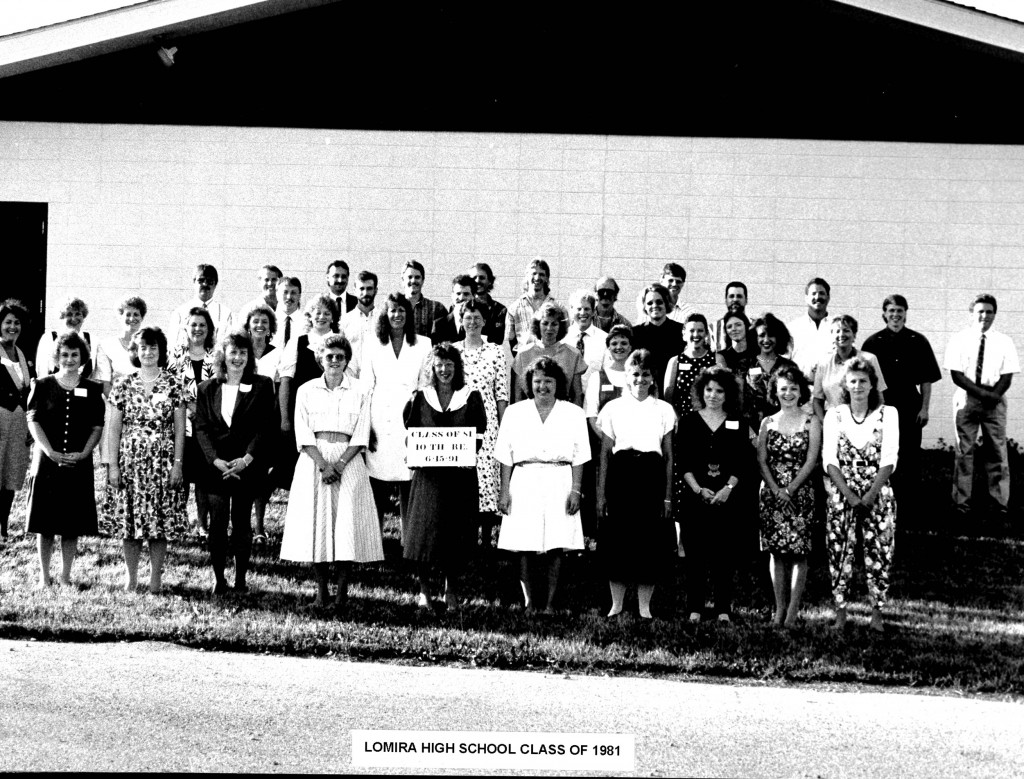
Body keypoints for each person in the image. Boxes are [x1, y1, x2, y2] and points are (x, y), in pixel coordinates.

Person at [279, 334, 383, 610]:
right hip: (315, 461)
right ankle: (321, 593)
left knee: (345, 526)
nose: (335, 361)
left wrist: (339, 464)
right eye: (329, 356)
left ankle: (342, 595)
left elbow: (361, 434)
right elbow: (302, 432)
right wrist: (324, 465)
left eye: (340, 356)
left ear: (347, 359)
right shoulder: (306, 390)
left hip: (348, 462)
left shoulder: (361, 390)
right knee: (318, 526)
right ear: (320, 359)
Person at [495, 358, 589, 612]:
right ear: (529, 383)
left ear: (558, 384)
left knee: (557, 543)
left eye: (548, 381)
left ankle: (550, 604)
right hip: (524, 478)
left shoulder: (573, 413)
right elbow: (505, 455)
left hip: (560, 478)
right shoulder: (515, 412)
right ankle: (529, 603)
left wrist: (576, 490)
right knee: (525, 543)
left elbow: (580, 455)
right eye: (537, 381)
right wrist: (504, 491)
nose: (543, 386)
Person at [102, 326, 186, 593]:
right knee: (130, 521)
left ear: (161, 351)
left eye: (153, 347)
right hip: (131, 463)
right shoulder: (123, 384)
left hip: (162, 462)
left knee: (159, 522)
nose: (148, 352)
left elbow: (180, 429)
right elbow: (114, 428)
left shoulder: (173, 383)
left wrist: (178, 464)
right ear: (135, 352)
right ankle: (131, 578)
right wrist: (112, 465)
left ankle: (155, 579)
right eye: (143, 347)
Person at [403, 344, 487, 612]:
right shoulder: (420, 397)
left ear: (457, 367)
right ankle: (425, 592)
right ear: (432, 367)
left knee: (455, 535)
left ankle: (451, 591)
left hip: (459, 477)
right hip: (428, 477)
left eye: (449, 364)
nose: (444, 370)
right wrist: (413, 454)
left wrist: (467, 455)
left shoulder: (470, 396)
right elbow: (411, 431)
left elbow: (478, 434)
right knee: (424, 534)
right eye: (439, 365)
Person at [194, 330, 277, 595]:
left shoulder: (263, 385)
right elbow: (202, 428)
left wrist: (246, 459)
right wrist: (215, 460)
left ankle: (241, 579)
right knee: (217, 523)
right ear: (223, 356)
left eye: (243, 353)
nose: (238, 358)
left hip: (246, 466)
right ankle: (219, 578)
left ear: (249, 357)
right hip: (215, 467)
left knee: (241, 522)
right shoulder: (206, 388)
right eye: (233, 352)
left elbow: (265, 428)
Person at [596, 349, 676, 619]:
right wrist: (601, 495)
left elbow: (668, 456)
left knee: (648, 540)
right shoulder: (613, 408)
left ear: (653, 378)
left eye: (646, 374)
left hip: (651, 476)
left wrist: (667, 497)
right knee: (618, 539)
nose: (640, 379)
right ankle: (616, 605)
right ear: (627, 378)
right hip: (621, 475)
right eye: (635, 374)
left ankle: (644, 608)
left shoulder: (664, 409)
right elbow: (605, 454)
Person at [823, 357, 899, 633]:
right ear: (845, 384)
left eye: (863, 381)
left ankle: (877, 613)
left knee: (880, 551)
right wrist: (850, 496)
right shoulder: (835, 415)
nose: (857, 386)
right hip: (842, 492)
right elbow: (829, 460)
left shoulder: (888, 414)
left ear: (872, 384)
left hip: (877, 492)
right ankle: (841, 611)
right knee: (839, 551)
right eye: (852, 381)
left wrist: (868, 496)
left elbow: (889, 459)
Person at [25, 332, 105, 587]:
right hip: (47, 461)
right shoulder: (43, 384)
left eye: (74, 355)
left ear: (82, 357)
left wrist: (84, 453)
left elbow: (96, 426)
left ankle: (66, 575)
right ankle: (44, 575)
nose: (69, 359)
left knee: (71, 524)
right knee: (44, 523)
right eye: (64, 355)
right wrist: (49, 451)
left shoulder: (92, 389)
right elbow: (33, 420)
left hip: (77, 463)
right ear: (57, 357)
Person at [677, 366, 750, 623]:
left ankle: (722, 609)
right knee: (695, 556)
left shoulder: (738, 422)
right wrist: (698, 490)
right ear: (701, 391)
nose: (714, 395)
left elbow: (743, 461)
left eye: (720, 390)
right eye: (709, 389)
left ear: (728, 394)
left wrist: (727, 489)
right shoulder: (688, 421)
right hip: (695, 497)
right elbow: (682, 462)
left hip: (727, 499)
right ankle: (695, 607)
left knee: (724, 556)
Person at [943, 293, 1020, 519]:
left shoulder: (1004, 341)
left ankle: (999, 505)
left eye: (989, 312)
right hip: (967, 398)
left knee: (997, 452)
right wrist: (980, 393)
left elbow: (1007, 375)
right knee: (964, 452)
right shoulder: (960, 339)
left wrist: (993, 395)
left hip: (995, 400)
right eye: (980, 312)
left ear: (994, 314)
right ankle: (961, 505)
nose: (984, 316)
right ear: (972, 314)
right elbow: (956, 374)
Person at [363, 292, 432, 539]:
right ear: (385, 314)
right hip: (379, 418)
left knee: (409, 480)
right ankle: (374, 538)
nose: (397, 315)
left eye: (402, 310)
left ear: (408, 314)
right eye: (393, 310)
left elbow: (425, 385)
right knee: (377, 481)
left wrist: (422, 424)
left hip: (410, 418)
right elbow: (365, 386)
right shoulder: (372, 343)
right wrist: (365, 427)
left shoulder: (423, 343)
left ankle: (409, 539)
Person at [862, 295, 942, 508]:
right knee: (882, 453)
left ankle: (909, 504)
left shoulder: (918, 341)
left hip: (910, 405)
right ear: (884, 314)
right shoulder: (871, 343)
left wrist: (924, 409)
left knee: (909, 454)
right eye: (891, 311)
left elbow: (926, 379)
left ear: (905, 314)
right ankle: (882, 500)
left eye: (899, 311)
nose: (895, 315)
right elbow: (864, 380)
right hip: (882, 405)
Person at [756, 364, 821, 628]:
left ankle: (793, 612)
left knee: (798, 553)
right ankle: (779, 610)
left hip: (800, 492)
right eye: (783, 388)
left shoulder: (811, 420)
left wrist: (791, 488)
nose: (789, 393)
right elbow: (761, 460)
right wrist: (774, 489)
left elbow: (812, 459)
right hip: (771, 494)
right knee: (777, 554)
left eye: (794, 388)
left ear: (801, 391)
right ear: (775, 391)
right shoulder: (767, 422)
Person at [454, 300, 509, 550]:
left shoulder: (496, 351)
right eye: (468, 317)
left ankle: (486, 539)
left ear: (484, 321)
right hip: (461, 419)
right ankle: (465, 537)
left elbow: (501, 392)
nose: (472, 322)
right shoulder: (453, 352)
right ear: (461, 320)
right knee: (464, 475)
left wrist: (502, 427)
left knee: (487, 477)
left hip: (487, 420)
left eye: (477, 318)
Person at [277, 294, 340, 491]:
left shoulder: (340, 343)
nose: (321, 317)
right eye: (317, 313)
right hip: (303, 414)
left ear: (333, 317)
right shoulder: (297, 342)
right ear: (310, 316)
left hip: (331, 414)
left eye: (326, 313)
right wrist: (285, 418)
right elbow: (285, 381)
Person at [167, 306, 217, 538]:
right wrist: (188, 405)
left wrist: (203, 410)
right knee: (183, 475)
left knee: (205, 479)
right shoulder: (175, 355)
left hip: (209, 427)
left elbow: (220, 389)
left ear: (209, 329)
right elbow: (169, 386)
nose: (197, 329)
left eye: (202, 325)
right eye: (193, 324)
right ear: (186, 327)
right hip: (181, 425)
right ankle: (179, 520)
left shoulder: (217, 356)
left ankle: (202, 524)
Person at [583, 325, 634, 545]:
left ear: (631, 346)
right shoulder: (598, 377)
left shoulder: (638, 377)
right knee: (603, 497)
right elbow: (591, 416)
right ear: (608, 348)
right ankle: (602, 545)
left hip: (633, 452)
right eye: (614, 343)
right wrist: (610, 442)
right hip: (605, 449)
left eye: (624, 343)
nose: (619, 347)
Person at [241, 303, 281, 545]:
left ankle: (258, 527)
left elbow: (279, 388)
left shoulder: (277, 352)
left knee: (260, 477)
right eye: (255, 321)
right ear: (248, 325)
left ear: (270, 328)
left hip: (266, 421)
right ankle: (241, 525)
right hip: (241, 422)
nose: (259, 326)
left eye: (264, 323)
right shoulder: (240, 351)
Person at [94, 296, 147, 472]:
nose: (132, 318)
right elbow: (104, 383)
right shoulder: (106, 345)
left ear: (142, 317)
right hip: (115, 408)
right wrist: (124, 406)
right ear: (120, 316)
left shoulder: (147, 345)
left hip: (144, 410)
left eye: (136, 314)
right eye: (128, 314)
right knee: (114, 463)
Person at [0, 299, 34, 539]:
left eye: (17, 323)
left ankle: (4, 527)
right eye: (8, 322)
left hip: (19, 421)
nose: (12, 327)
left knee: (12, 475)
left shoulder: (22, 353)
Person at [812, 315, 887, 420]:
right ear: (832, 336)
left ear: (854, 335)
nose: (841, 334)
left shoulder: (869, 359)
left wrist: (872, 421)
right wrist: (825, 423)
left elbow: (879, 397)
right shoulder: (824, 363)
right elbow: (817, 400)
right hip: (834, 421)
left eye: (846, 330)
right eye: (837, 331)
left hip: (864, 420)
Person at [511, 302, 585, 405]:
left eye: (554, 324)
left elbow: (577, 395)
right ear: (537, 325)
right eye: (545, 323)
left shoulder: (573, 354)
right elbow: (517, 397)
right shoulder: (523, 354)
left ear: (560, 326)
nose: (549, 328)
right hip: (531, 414)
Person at [737, 314, 798, 432]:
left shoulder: (789, 366)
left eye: (771, 335)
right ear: (755, 338)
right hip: (751, 430)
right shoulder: (744, 365)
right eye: (761, 335)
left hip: (782, 429)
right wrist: (748, 430)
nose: (766, 340)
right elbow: (737, 401)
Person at [630, 284, 683, 388]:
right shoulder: (635, 333)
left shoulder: (680, 331)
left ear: (666, 303)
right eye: (650, 303)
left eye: (659, 302)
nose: (654, 306)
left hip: (674, 389)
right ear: (644, 306)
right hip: (644, 389)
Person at [168, 264, 233, 350]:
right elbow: (172, 345)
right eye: (201, 280)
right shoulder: (180, 313)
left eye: (210, 281)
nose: (205, 284)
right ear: (194, 282)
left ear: (215, 284)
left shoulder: (227, 314)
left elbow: (231, 345)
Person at [508, 257, 559, 356]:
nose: (537, 278)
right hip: (523, 364)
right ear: (527, 276)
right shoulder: (514, 308)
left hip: (548, 362)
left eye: (541, 274)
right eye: (534, 273)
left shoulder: (556, 307)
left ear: (547, 279)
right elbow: (511, 340)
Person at [35, 296, 94, 378]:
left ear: (83, 316)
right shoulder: (49, 338)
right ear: (62, 316)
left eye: (78, 314)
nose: (74, 318)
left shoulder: (93, 340)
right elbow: (42, 373)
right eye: (69, 314)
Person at [788, 277, 832, 380]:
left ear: (828, 298)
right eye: (813, 293)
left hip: (830, 390)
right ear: (806, 298)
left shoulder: (838, 328)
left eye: (821, 293)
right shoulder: (793, 328)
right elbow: (784, 361)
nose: (817, 297)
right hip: (801, 388)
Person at [561, 289, 606, 388]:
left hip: (592, 396)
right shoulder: (562, 338)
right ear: (572, 310)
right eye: (579, 309)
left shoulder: (604, 340)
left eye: (587, 309)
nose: (582, 313)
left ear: (594, 311)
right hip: (566, 396)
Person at [338, 271, 378, 376]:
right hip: (351, 379)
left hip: (377, 379)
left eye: (369, 288)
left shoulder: (383, 319)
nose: (365, 293)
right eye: (361, 289)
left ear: (375, 290)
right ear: (355, 291)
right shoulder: (345, 320)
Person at [403, 260, 448, 338]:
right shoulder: (393, 309)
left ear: (423, 281)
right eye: (409, 277)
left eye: (417, 277)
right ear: (403, 280)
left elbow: (446, 339)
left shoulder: (437, 308)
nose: (413, 281)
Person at [429, 274, 477, 344]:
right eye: (458, 293)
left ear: (473, 296)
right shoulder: (439, 325)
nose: (461, 298)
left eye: (466, 294)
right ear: (452, 295)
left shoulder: (479, 323)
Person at [468, 262, 508, 344]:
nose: (477, 281)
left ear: (490, 281)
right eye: (474, 278)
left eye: (482, 278)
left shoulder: (500, 311)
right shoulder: (462, 308)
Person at [712, 282, 748, 352]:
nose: (735, 299)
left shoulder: (755, 326)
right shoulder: (712, 329)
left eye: (739, 296)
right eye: (731, 296)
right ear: (726, 301)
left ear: (746, 300)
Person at [273, 276, 303, 349]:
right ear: (277, 295)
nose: (289, 297)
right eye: (285, 292)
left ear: (299, 296)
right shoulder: (269, 322)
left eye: (293, 293)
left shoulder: (306, 323)